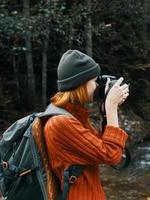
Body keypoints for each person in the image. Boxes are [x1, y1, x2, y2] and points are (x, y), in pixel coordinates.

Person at [44, 50, 129, 200]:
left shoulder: (70, 114)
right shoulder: (61, 122)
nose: (97, 86)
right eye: (94, 81)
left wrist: (105, 112)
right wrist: (111, 107)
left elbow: (99, 147)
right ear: (81, 83)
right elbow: (111, 155)